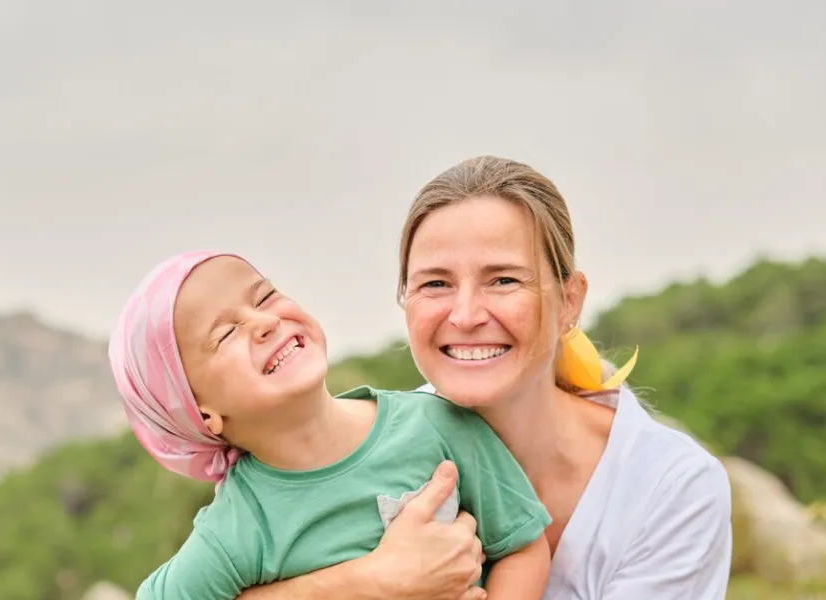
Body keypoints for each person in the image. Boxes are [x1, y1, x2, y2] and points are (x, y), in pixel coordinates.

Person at [236, 156, 733, 600]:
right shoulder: (354, 446)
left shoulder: (671, 488)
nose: (467, 314)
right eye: (435, 283)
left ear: (570, 302)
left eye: (504, 279)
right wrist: (370, 581)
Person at [108, 250, 554, 600]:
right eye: (225, 334)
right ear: (200, 414)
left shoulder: (438, 422)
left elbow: (523, 546)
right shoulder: (241, 523)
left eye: (264, 296)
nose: (264, 322)